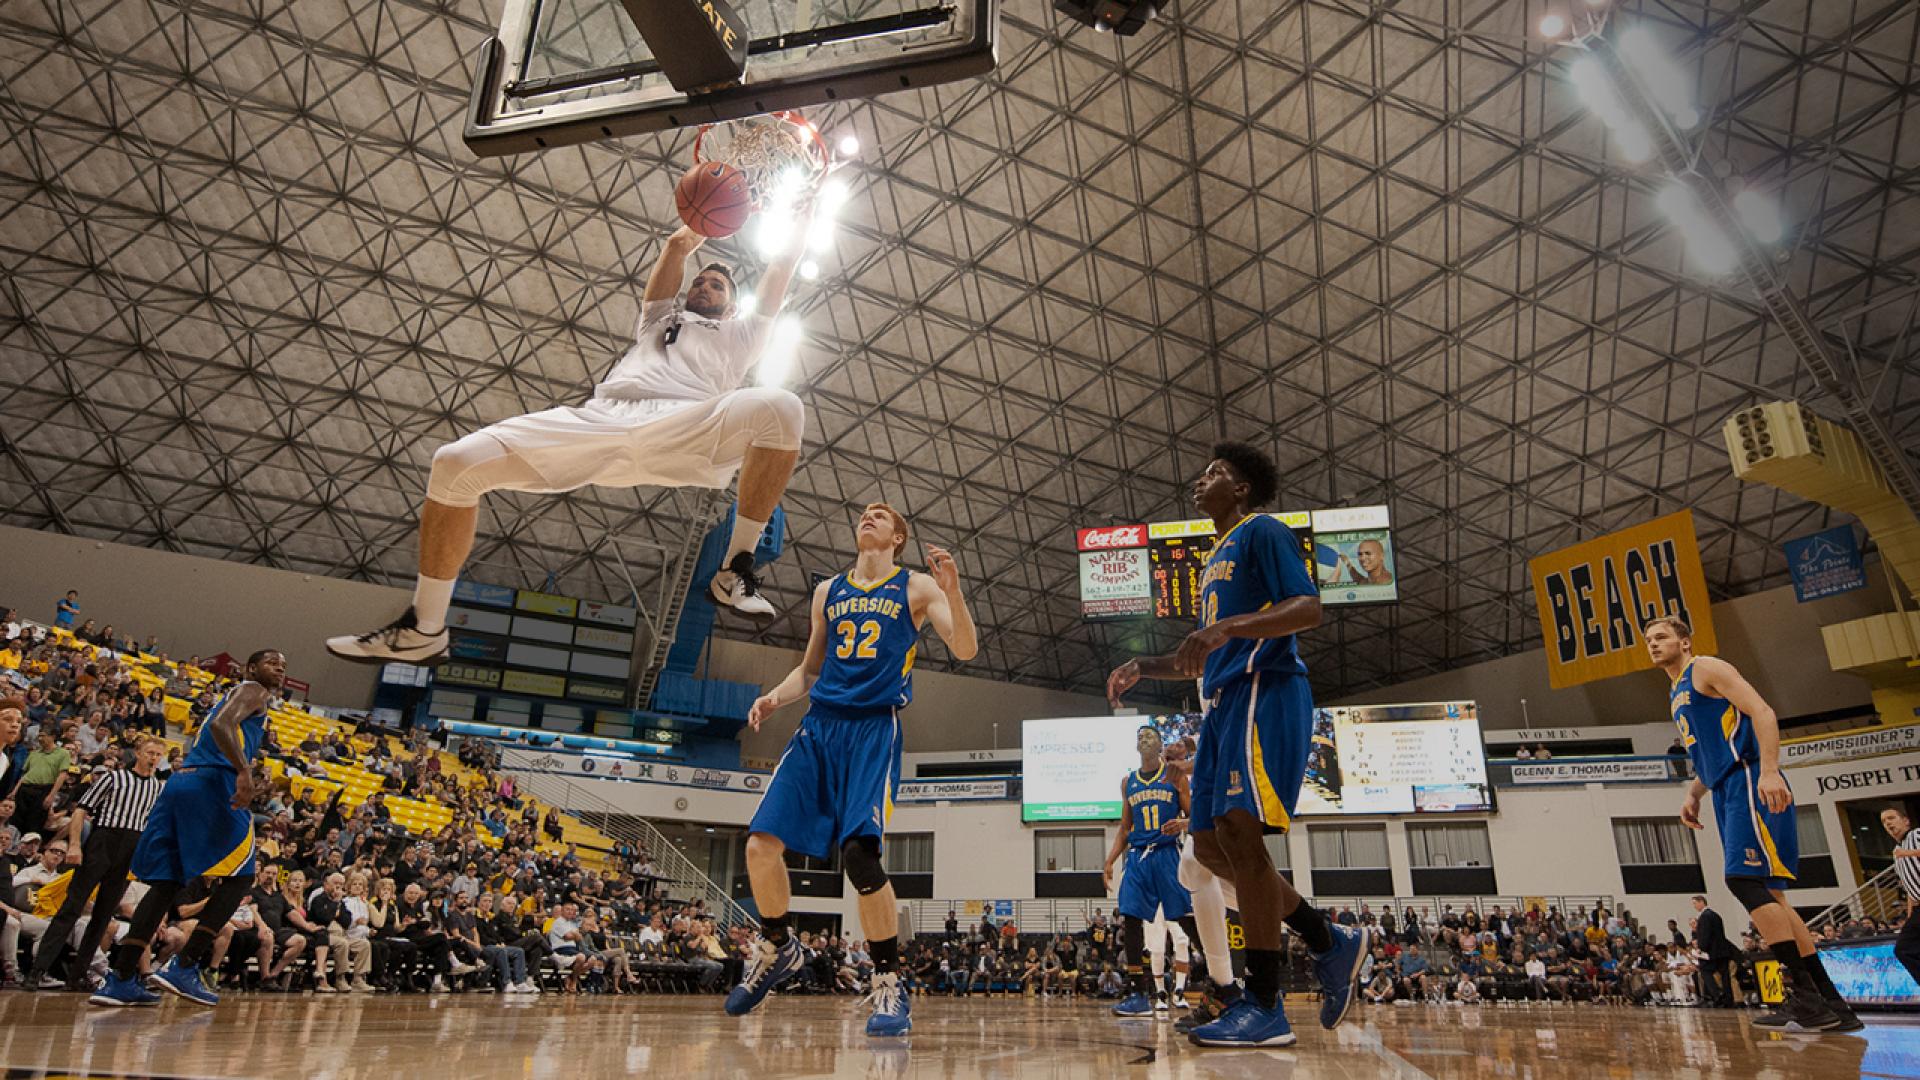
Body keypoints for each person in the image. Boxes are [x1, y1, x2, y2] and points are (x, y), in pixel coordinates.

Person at [325, 217, 817, 667]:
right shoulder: (657, 322)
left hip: (688, 425)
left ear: (732, 306)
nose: (705, 286)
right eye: (700, 280)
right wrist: (681, 241)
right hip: (602, 422)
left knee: (782, 408)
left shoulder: (742, 334)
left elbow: (782, 265)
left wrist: (806, 205)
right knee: (454, 464)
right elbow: (672, 256)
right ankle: (425, 629)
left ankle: (735, 568)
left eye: (717, 285)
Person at [1107, 443, 1367, 1048]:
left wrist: (1229, 626)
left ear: (1242, 488)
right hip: (1222, 702)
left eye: (1214, 474)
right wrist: (1143, 666)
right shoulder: (1213, 561)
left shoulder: (1261, 532)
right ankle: (1328, 939)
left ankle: (1266, 1003)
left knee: (1242, 837)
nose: (1200, 482)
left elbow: (1308, 609)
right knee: (1210, 845)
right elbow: (1198, 653)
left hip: (1265, 692)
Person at [725, 502, 978, 1037]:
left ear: (898, 537)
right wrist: (774, 697)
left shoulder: (915, 587)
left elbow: (965, 647)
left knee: (860, 858)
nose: (870, 515)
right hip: (819, 727)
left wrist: (951, 587)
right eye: (866, 512)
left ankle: (887, 982)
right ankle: (777, 943)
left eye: (882, 515)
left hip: (872, 730)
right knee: (759, 846)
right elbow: (810, 670)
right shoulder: (828, 591)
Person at [1646, 617, 1857, 1032]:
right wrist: (1693, 794)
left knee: (1743, 881)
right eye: (1649, 640)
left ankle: (1805, 995)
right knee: (1773, 896)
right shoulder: (1676, 690)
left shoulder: (1706, 668)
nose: (1653, 645)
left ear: (1684, 641)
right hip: (1726, 786)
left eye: (1661, 637)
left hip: (1748, 778)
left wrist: (1771, 770)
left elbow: (1762, 711)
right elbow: (1712, 752)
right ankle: (1831, 1003)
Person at [90, 649, 285, 1007]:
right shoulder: (253, 690)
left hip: (183, 783)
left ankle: (121, 978)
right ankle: (184, 965)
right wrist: (244, 771)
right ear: (251, 667)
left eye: (283, 665)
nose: (280, 669)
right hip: (214, 784)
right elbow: (219, 725)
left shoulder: (239, 694)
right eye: (273, 663)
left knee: (167, 883)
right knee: (242, 877)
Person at [26, 736, 166, 990]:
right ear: (137, 752)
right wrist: (76, 844)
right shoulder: (114, 778)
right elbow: (81, 810)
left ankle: (77, 976)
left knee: (102, 917)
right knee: (71, 908)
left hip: (130, 847)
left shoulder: (157, 787)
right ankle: (38, 970)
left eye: (158, 754)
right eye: (150, 752)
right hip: (103, 840)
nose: (154, 758)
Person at [1101, 724, 1191, 1019]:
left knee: (1183, 917)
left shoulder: (1175, 775)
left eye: (1149, 734)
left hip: (1167, 853)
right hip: (1138, 856)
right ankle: (1138, 993)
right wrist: (1110, 860)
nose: (1143, 738)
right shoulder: (1128, 781)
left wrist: (1183, 825)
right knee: (1129, 916)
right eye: (1139, 735)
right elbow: (1125, 828)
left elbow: (1195, 815)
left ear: (1160, 744)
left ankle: (1220, 982)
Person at [1882, 806, 1920, 987]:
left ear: (1906, 821)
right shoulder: (1897, 852)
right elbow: (1910, 889)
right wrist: (1910, 916)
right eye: (1883, 821)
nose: (1887, 823)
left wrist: (1909, 853)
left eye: (1891, 818)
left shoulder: (1916, 835)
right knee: (1904, 950)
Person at [1690, 895, 1737, 1007]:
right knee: (1725, 976)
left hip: (1713, 952)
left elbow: (1705, 935)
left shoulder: (1705, 916)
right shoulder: (1715, 915)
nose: (1694, 906)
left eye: (1695, 903)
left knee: (1705, 970)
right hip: (1723, 950)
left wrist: (1701, 948)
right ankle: (1728, 999)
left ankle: (1717, 994)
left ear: (1702, 902)